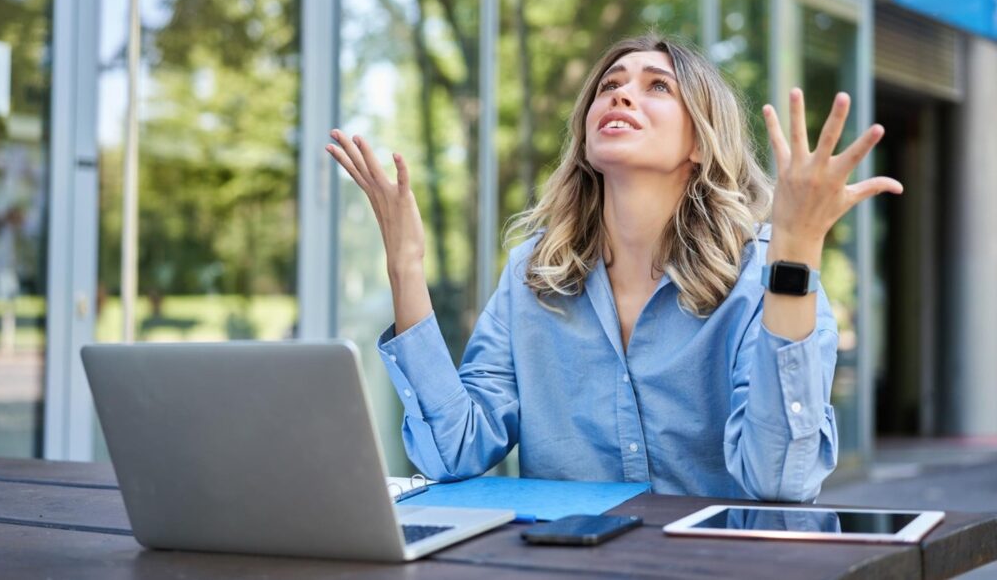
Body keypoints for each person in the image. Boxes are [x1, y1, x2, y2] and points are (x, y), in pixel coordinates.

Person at [326, 34, 902, 502]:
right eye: (610, 85)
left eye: (657, 87)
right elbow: (455, 452)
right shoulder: (533, 274)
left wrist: (797, 251)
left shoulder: (762, 277)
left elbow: (780, 478)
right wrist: (406, 266)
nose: (622, 96)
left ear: (701, 142)